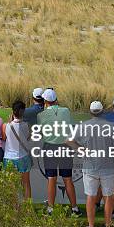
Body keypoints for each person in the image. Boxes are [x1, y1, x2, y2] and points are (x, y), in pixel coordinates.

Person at [72, 101, 114, 227]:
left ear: (90, 112)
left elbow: (69, 140)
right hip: (107, 167)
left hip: (89, 166)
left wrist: (80, 149)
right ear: (102, 111)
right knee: (108, 198)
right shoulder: (111, 127)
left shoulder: (83, 126)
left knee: (90, 197)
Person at [37, 88, 80, 216]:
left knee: (51, 178)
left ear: (45, 101)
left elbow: (40, 132)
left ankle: (50, 209)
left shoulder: (41, 115)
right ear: (55, 100)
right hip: (65, 147)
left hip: (50, 147)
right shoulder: (66, 111)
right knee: (67, 179)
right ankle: (75, 209)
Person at [2, 100, 32, 199]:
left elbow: (4, 138)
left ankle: (14, 210)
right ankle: (27, 208)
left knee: (11, 186)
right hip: (23, 157)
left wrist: (10, 122)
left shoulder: (5, 125)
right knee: (26, 184)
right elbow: (28, 137)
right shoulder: (26, 125)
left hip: (9, 158)